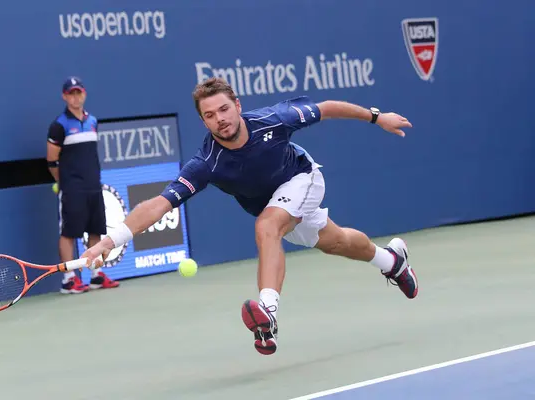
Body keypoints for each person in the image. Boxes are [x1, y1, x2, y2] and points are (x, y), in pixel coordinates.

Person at [82, 77, 417, 355]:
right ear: (203, 121)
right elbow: (158, 204)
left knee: (267, 225)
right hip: (278, 203)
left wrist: (377, 117)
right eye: (210, 115)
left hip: (302, 178)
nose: (220, 119)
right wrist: (111, 241)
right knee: (337, 241)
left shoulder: (275, 119)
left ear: (238, 106)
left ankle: (268, 310)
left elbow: (326, 108)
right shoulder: (206, 164)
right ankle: (391, 261)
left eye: (225, 109)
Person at [46, 76, 119, 294]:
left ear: (84, 94)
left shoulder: (93, 121)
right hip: (71, 187)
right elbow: (51, 161)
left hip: (94, 185)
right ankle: (69, 279)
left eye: (79, 92)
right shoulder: (59, 125)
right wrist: (64, 181)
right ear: (64, 96)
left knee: (95, 231)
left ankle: (95, 275)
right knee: (69, 233)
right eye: (71, 93)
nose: (75, 97)